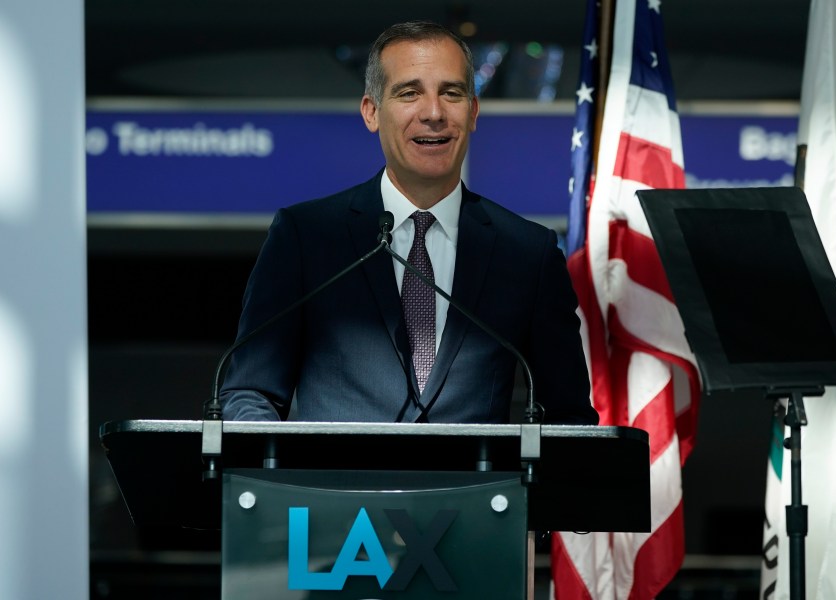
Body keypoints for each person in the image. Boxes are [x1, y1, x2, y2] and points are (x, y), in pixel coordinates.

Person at [219, 20, 598, 425]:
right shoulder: (305, 236)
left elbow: (567, 418)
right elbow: (250, 391)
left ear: (472, 112)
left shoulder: (528, 253)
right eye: (409, 93)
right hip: (333, 488)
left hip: (476, 488)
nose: (433, 113)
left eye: (451, 94)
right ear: (371, 112)